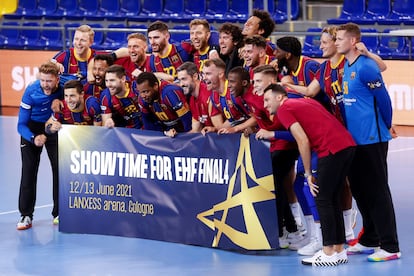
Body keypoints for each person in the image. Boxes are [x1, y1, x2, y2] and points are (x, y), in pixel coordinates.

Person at [260, 83, 356, 266]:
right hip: (346, 146)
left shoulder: (285, 109)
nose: (265, 105)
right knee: (332, 198)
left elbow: (302, 140)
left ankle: (327, 252)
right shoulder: (305, 102)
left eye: (267, 99)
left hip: (331, 149)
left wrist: (308, 172)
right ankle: (338, 249)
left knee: (322, 198)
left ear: (280, 97)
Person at [335, 22, 401, 262]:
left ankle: (390, 246)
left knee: (378, 192)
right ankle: (370, 238)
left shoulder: (366, 68)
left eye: (340, 38)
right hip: (354, 140)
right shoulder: (347, 66)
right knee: (361, 190)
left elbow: (384, 100)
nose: (336, 42)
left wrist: (386, 124)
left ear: (353, 41)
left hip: (372, 139)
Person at [16, 61, 64, 230]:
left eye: (49, 81)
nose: (45, 85)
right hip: (32, 128)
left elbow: (80, 84)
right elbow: (20, 125)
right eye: (43, 80)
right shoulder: (31, 91)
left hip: (52, 126)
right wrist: (33, 137)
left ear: (57, 79)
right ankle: (26, 215)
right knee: (28, 171)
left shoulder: (63, 86)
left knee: (60, 169)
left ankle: (59, 213)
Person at [136, 72, 192, 137]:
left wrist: (186, 138)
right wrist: (163, 134)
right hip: (166, 129)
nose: (142, 96)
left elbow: (187, 120)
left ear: (155, 86)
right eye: (140, 92)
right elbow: (148, 124)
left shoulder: (170, 93)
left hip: (182, 127)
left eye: (145, 91)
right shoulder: (142, 99)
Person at [100, 64, 142, 129]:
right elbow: (106, 123)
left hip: (147, 129)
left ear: (123, 79)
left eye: (112, 80)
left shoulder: (137, 88)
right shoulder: (105, 96)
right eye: (106, 81)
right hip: (125, 131)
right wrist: (108, 122)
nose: (108, 85)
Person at [176, 62, 213, 133]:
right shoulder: (192, 99)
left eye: (184, 79)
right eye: (179, 80)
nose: (181, 84)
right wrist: (177, 136)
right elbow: (195, 131)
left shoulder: (208, 93)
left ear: (195, 76)